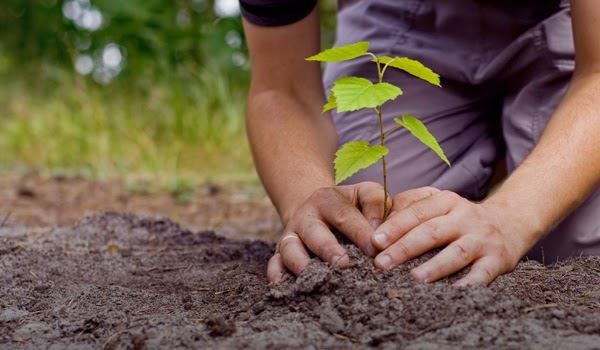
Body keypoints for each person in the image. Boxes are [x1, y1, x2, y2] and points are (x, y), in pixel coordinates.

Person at [239, 0, 600, 285]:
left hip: (571, 19)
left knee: (576, 246)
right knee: (376, 228)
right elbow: (281, 89)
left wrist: (512, 215)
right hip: (403, 15)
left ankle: (515, 147)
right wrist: (306, 200)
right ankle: (493, 143)